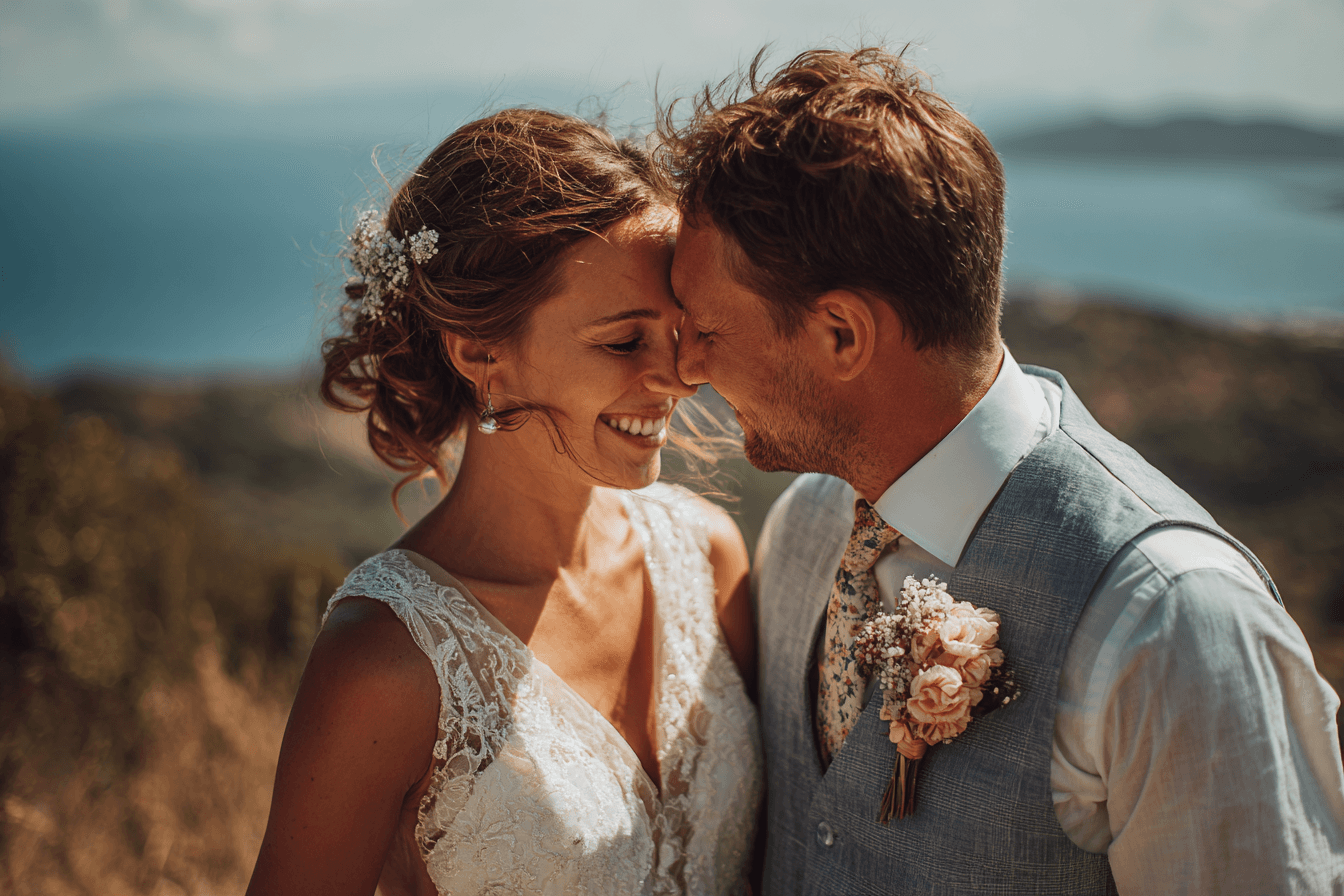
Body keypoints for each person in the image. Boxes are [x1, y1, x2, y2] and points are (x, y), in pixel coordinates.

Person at [661, 47, 1344, 893]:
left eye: (709, 332)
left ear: (841, 335)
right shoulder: (805, 529)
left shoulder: (1172, 625)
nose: (686, 367)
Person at [246, 109, 762, 896]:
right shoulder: (385, 664)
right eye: (624, 341)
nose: (680, 375)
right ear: (481, 350)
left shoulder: (709, 555)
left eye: (679, 330)